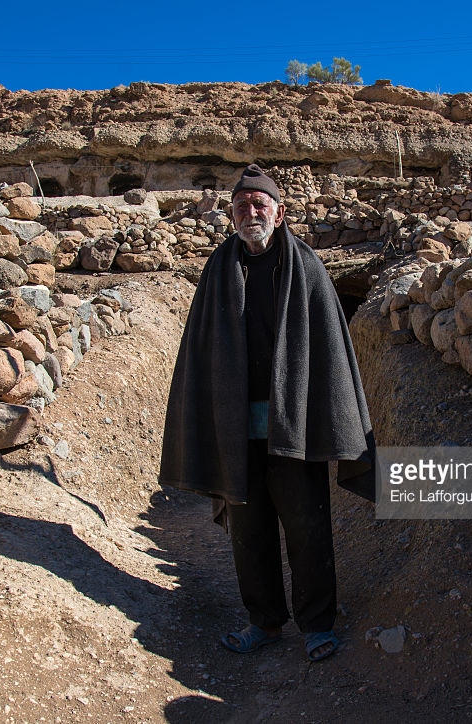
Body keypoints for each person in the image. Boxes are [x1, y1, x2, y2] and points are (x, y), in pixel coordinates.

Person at [159, 164, 376, 662]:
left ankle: (318, 624)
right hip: (237, 432)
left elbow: (330, 351)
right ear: (231, 215)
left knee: (307, 527)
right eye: (241, 206)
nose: (250, 212)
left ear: (279, 213)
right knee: (249, 533)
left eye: (260, 205)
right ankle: (264, 621)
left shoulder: (307, 268)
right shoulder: (219, 269)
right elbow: (202, 352)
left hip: (293, 428)